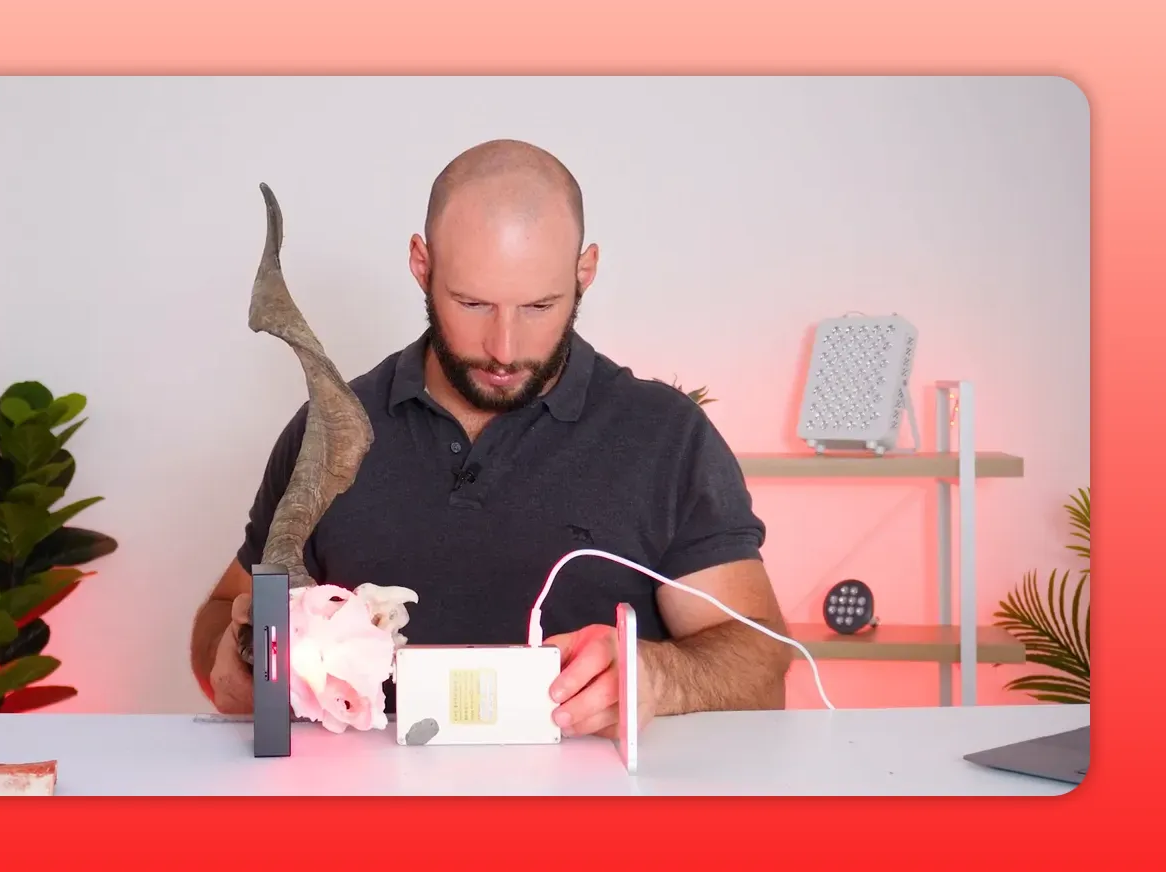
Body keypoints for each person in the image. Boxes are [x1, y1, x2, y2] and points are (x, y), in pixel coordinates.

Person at [190, 138, 793, 738]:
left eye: (540, 306)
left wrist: (660, 677)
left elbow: (760, 663)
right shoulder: (329, 428)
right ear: (422, 266)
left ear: (585, 272)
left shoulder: (665, 437)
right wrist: (239, 659)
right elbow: (228, 611)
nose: (504, 349)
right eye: (472, 303)